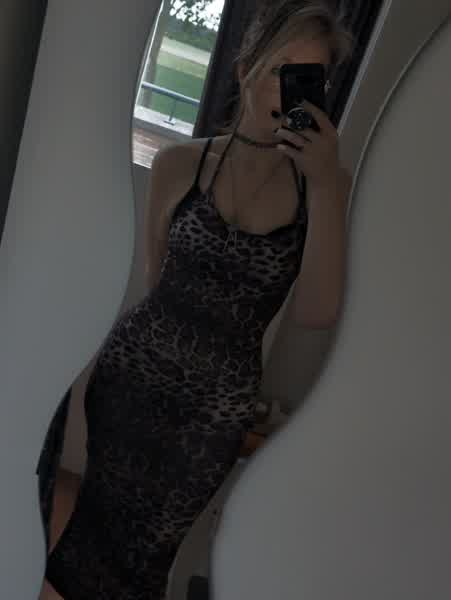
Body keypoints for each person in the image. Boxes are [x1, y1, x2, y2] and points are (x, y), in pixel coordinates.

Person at [42, 1, 353, 598]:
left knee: (147, 557)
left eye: (308, 77)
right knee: (88, 533)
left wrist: (322, 183)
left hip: (211, 414)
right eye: (281, 68)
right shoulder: (179, 163)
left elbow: (317, 311)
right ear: (245, 67)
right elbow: (155, 280)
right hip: (131, 379)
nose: (290, 90)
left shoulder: (326, 187)